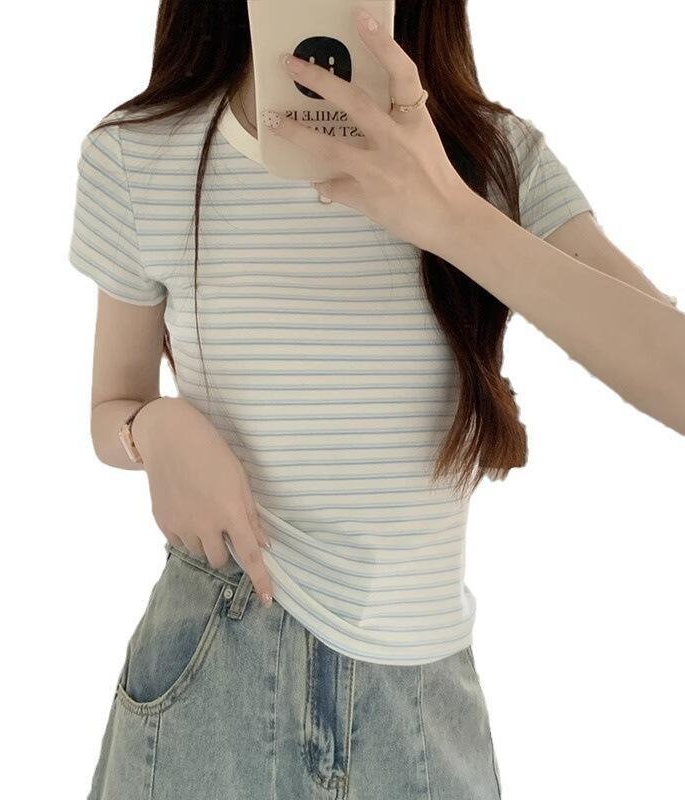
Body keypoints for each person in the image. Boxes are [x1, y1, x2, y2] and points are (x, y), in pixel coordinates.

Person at [67, 3, 683, 798]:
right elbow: (113, 405)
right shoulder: (141, 155)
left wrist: (449, 215)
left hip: (419, 700)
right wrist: (154, 427)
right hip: (212, 673)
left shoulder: (496, 160)